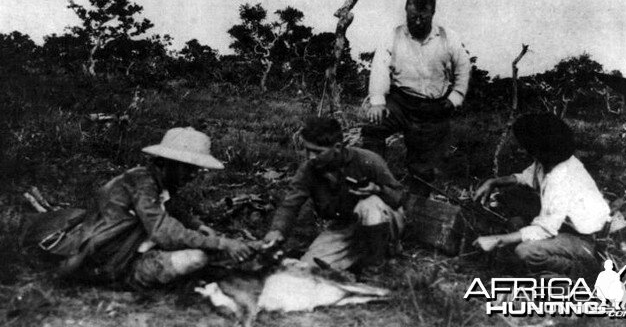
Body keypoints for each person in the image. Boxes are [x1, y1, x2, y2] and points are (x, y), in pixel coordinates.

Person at [42, 127, 254, 288]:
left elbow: (173, 209)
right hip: (112, 261)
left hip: (128, 250)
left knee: (203, 252)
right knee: (197, 258)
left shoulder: (157, 182)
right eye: (189, 168)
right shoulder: (141, 183)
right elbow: (164, 232)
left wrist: (198, 225)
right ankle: (129, 280)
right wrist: (220, 242)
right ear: (169, 163)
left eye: (196, 169)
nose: (193, 175)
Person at [472, 113, 610, 278]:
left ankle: (586, 271)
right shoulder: (546, 161)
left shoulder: (563, 176)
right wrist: (494, 182)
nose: (521, 149)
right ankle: (534, 269)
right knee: (516, 225)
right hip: (562, 227)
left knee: (525, 251)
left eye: (525, 145)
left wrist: (497, 239)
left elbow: (545, 228)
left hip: (583, 239)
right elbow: (524, 177)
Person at [263, 117, 406, 274]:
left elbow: (399, 197)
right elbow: (290, 204)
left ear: (337, 147)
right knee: (309, 267)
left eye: (318, 151)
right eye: (307, 150)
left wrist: (378, 190)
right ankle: (361, 255)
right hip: (346, 226)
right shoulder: (309, 169)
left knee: (370, 205)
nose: (310, 156)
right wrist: (277, 230)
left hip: (384, 221)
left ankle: (375, 265)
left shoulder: (367, 160)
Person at [361, 0, 471, 190]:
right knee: (373, 128)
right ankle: (374, 181)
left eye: (423, 17)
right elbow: (379, 67)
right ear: (406, 12)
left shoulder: (448, 38)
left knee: (422, 167)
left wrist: (455, 97)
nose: (417, 22)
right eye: (412, 17)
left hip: (432, 107)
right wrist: (377, 102)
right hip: (401, 101)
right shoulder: (393, 36)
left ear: (432, 14)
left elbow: (463, 67)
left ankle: (416, 201)